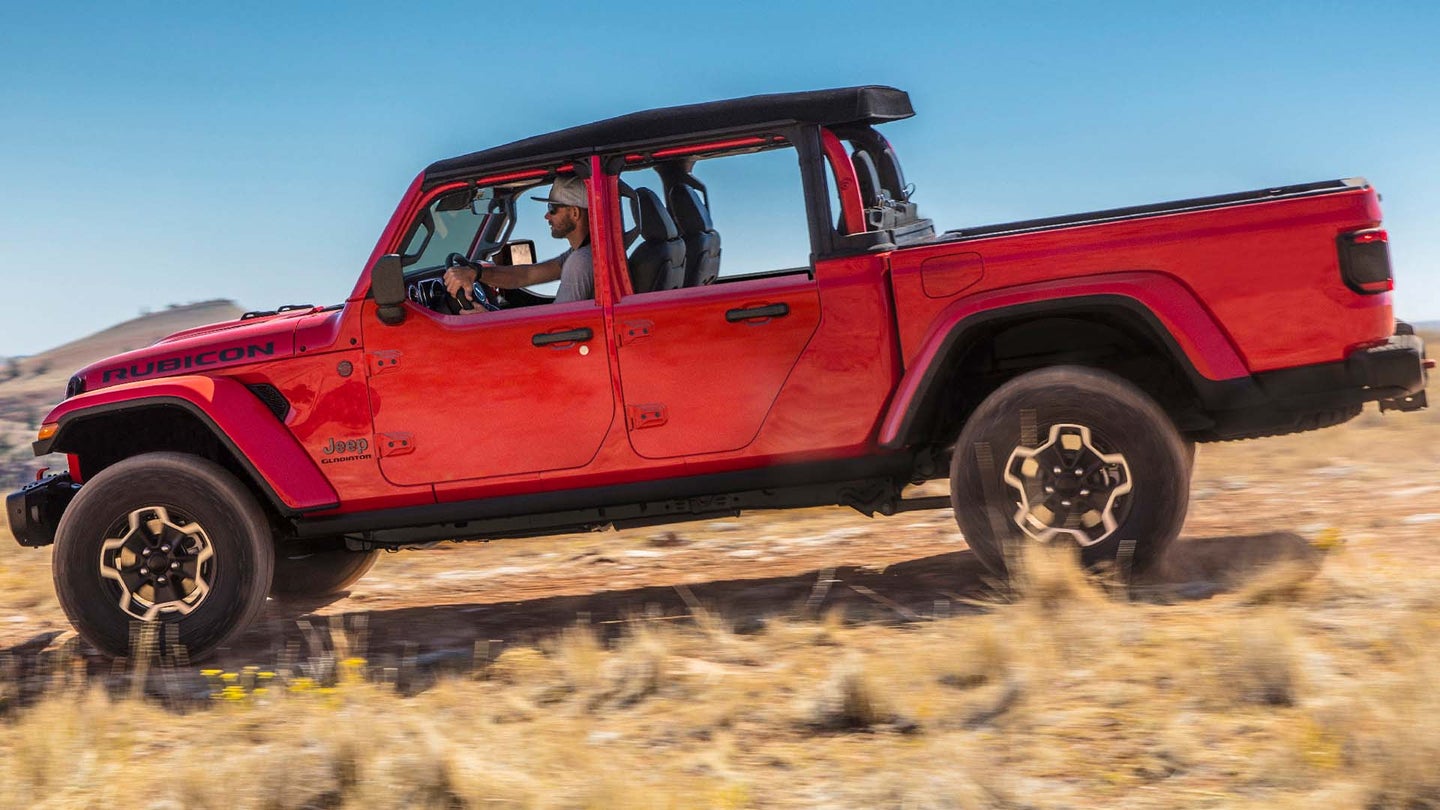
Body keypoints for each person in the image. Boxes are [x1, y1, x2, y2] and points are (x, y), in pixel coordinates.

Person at [443, 175, 593, 306]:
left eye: (552, 208)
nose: (547, 216)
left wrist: (485, 319)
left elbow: (559, 324)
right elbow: (526, 274)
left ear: (574, 213)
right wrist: (476, 272)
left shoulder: (580, 261)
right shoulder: (582, 253)